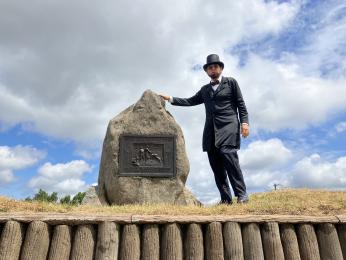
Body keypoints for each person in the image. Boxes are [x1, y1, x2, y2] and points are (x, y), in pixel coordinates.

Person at [160, 54, 250, 204]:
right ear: (207, 71)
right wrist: (171, 98)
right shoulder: (205, 90)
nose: (213, 69)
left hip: (229, 126)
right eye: (210, 68)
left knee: (229, 157)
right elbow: (190, 101)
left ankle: (242, 195)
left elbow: (241, 104)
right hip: (211, 131)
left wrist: (245, 123)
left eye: (215, 67)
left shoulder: (231, 83)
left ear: (220, 68)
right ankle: (226, 199)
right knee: (216, 165)